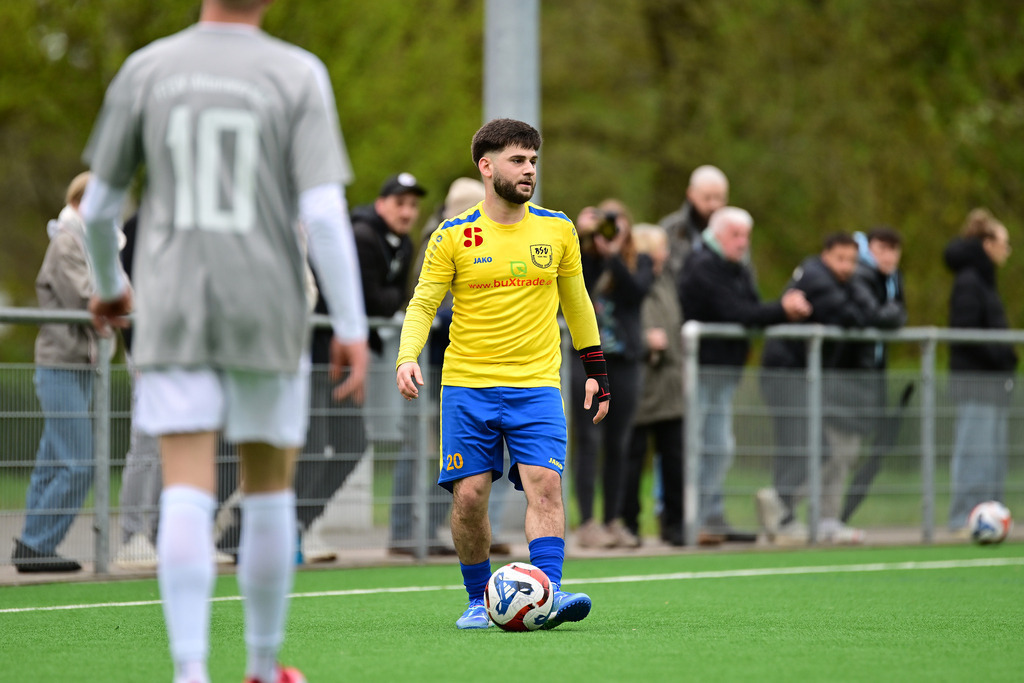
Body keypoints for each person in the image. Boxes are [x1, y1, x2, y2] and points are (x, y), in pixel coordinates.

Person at [79, 2, 369, 682]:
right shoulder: (299, 73)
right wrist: (351, 323)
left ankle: (190, 670)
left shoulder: (146, 68)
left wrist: (110, 285)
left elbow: (97, 207)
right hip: (266, 302)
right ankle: (264, 665)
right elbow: (324, 214)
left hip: (174, 301)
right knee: (269, 490)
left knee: (187, 482)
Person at [396, 118, 607, 630]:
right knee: (469, 498)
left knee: (545, 485)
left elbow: (577, 302)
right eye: (518, 160)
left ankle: (548, 593)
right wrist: (407, 356)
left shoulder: (557, 230)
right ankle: (476, 600)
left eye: (533, 159)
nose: (529, 169)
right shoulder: (453, 235)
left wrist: (596, 368)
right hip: (468, 385)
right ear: (486, 166)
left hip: (536, 385)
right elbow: (424, 302)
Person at [757, 233, 903, 545]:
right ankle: (778, 505)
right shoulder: (818, 279)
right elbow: (854, 316)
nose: (847, 266)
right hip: (787, 373)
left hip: (798, 374)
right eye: (841, 259)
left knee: (809, 445)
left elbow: (864, 311)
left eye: (852, 260)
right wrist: (881, 315)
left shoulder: (840, 280)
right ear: (825, 255)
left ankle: (781, 513)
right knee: (808, 444)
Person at [679, 207, 811, 542]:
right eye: (735, 235)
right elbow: (737, 313)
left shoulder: (737, 267)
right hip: (700, 370)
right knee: (696, 446)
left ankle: (709, 518)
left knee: (719, 447)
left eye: (746, 236)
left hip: (724, 372)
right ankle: (688, 519)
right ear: (717, 234)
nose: (742, 243)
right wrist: (782, 309)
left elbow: (751, 309)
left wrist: (779, 309)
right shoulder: (703, 265)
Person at [12, 171, 99, 573]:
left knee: (52, 464)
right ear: (82, 201)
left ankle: (33, 545)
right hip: (60, 365)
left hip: (78, 365)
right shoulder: (68, 242)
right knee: (79, 463)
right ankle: (36, 544)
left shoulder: (88, 242)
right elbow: (88, 299)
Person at [570, 200, 653, 549]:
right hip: (588, 361)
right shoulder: (582, 258)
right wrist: (583, 239)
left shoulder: (641, 260)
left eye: (616, 223)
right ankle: (588, 522)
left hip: (625, 361)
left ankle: (612, 519)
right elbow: (575, 290)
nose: (609, 230)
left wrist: (615, 255)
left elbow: (636, 293)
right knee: (589, 441)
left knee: (619, 443)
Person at [944, 208, 1016, 535]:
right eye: (1004, 242)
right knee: (973, 454)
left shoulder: (985, 280)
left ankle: (989, 518)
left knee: (992, 458)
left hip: (994, 384)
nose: (1007, 249)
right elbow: (966, 333)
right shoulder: (970, 281)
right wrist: (1001, 357)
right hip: (976, 382)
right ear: (987, 243)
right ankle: (962, 519)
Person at [839, 226, 908, 524]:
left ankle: (836, 518)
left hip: (873, 375)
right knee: (842, 449)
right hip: (850, 375)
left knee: (859, 450)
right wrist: (890, 314)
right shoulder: (860, 274)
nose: (888, 256)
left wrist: (891, 313)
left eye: (894, 249)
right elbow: (877, 316)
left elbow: (898, 313)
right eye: (882, 248)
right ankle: (813, 514)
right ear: (869, 248)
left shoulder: (892, 279)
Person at [623, 223, 685, 546]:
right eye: (661, 246)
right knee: (632, 458)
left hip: (671, 387)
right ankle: (628, 525)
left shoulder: (667, 281)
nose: (667, 253)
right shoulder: (634, 281)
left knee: (674, 459)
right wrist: (646, 341)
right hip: (642, 385)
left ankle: (674, 526)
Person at [659, 164, 729, 286]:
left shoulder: (734, 232)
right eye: (707, 198)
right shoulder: (670, 230)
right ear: (690, 194)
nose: (713, 205)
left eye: (718, 198)